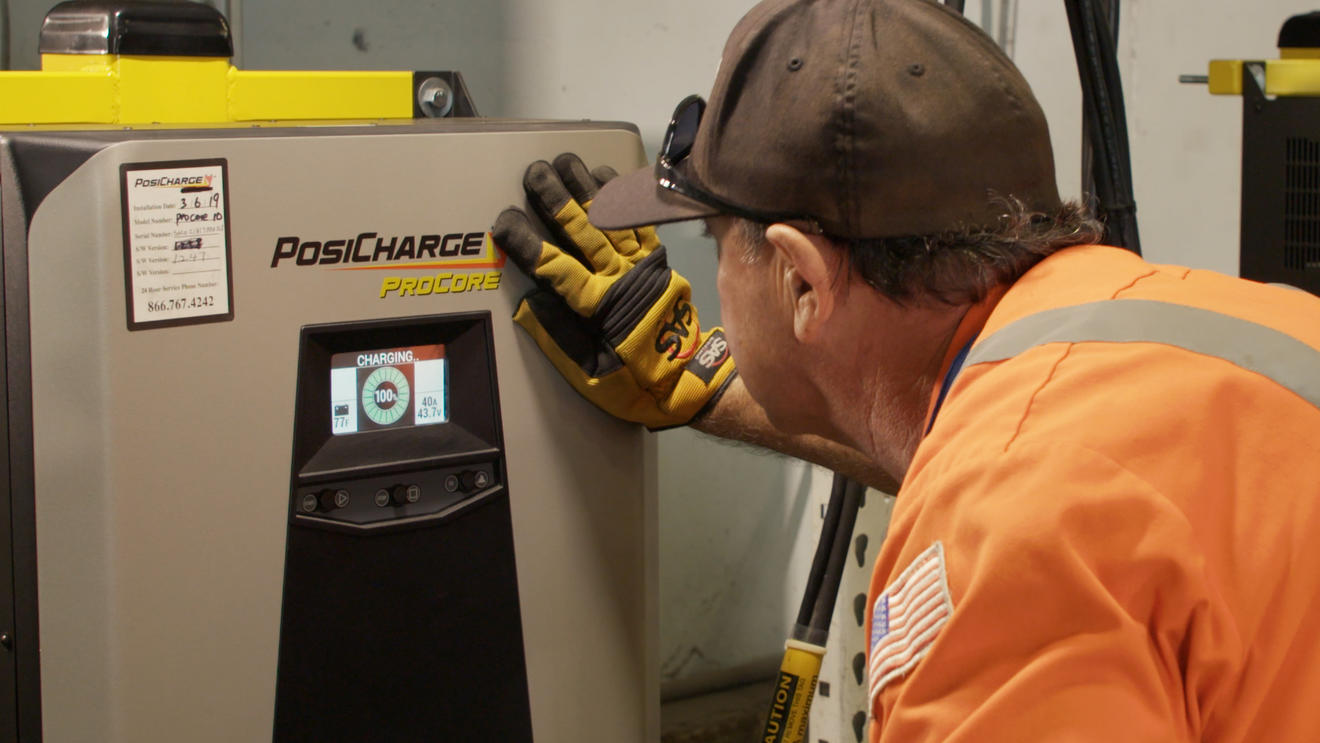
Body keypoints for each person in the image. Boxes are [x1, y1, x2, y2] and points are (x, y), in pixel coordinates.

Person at [492, 0, 1320, 739]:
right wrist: (702, 378)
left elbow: (1017, 492)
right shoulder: (1226, 326)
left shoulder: (1006, 553)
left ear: (800, 278)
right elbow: (999, 444)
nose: (711, 283)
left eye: (712, 243)